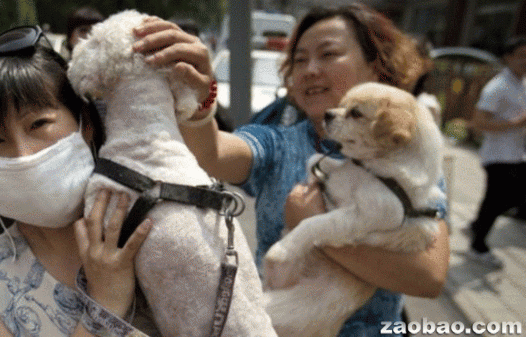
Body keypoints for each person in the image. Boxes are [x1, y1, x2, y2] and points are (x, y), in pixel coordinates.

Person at [153, 4, 450, 336]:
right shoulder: (278, 143)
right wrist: (201, 94)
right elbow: (213, 154)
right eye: (299, 60)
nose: (310, 69)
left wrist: (313, 228)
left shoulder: (405, 156)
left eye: (328, 54)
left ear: (375, 65)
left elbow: (429, 277)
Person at [0, 19, 213, 336]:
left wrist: (200, 94)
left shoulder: (154, 223)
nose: (22, 154)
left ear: (85, 124)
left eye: (38, 124)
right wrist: (104, 307)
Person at [467, 36, 526, 268]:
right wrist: (515, 124)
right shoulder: (497, 87)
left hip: (517, 153)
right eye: (521, 55)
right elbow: (478, 122)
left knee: (509, 198)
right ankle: (478, 245)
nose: (525, 60)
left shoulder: (521, 83)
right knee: (496, 200)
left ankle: (478, 225)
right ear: (508, 57)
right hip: (498, 155)